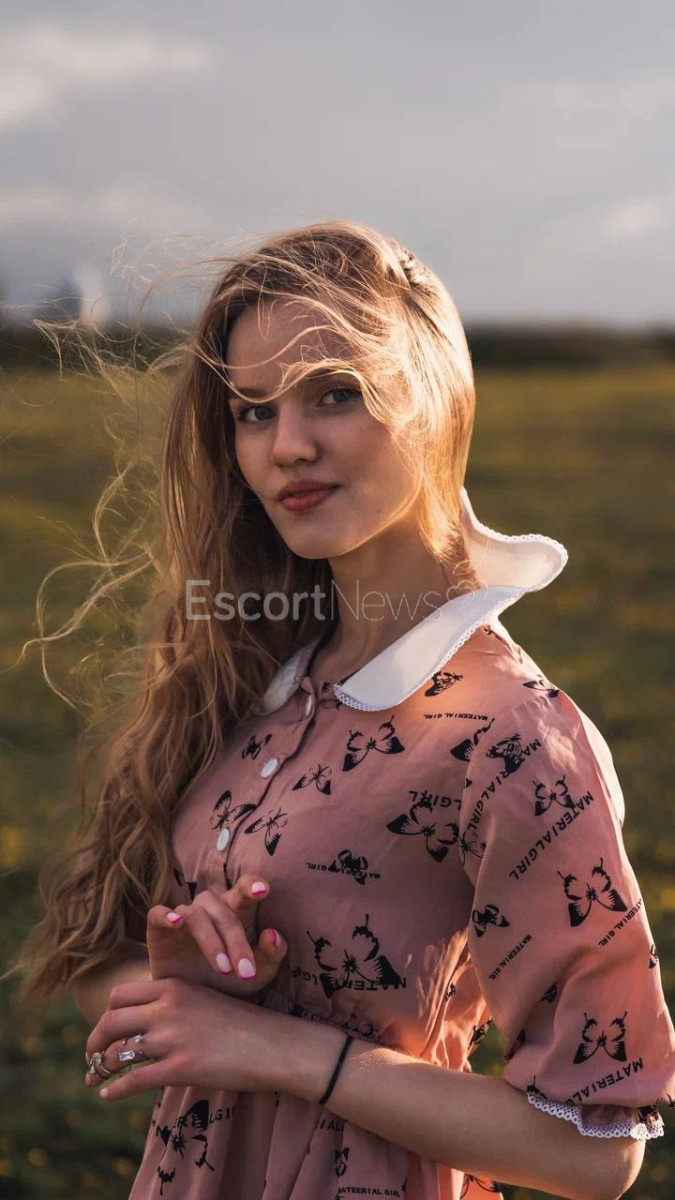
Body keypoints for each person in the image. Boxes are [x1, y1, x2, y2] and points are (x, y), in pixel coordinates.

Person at [7, 220, 675, 1199]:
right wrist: (194, 984)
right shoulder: (259, 671)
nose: (287, 446)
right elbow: (106, 973)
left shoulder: (516, 739)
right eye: (253, 410)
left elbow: (596, 1151)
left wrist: (281, 1049)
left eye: (335, 392)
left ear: (435, 399)